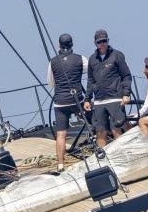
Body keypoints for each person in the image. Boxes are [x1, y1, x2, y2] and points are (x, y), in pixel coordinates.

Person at [83, 29, 132, 147]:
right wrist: (87, 99)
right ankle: (103, 156)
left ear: (108, 41)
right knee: (100, 132)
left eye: (104, 41)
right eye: (99, 42)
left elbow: (126, 76)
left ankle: (122, 154)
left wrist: (126, 94)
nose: (102, 44)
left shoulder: (117, 55)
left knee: (116, 129)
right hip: (99, 101)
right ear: (95, 43)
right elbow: (90, 80)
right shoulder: (92, 59)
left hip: (115, 98)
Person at [47, 33, 88, 171]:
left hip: (60, 102)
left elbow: (50, 83)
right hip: (77, 100)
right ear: (72, 44)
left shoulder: (52, 62)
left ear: (58, 45)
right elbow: (90, 70)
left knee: (61, 134)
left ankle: (60, 165)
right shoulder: (80, 59)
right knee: (91, 121)